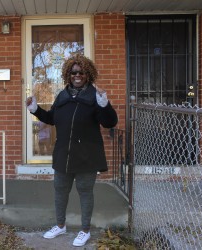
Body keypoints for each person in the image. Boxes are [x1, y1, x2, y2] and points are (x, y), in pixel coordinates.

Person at [25, 54, 118, 247]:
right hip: (63, 154)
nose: (78, 75)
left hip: (87, 155)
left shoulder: (95, 96)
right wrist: (36, 110)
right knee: (60, 191)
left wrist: (104, 104)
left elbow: (110, 122)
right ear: (68, 74)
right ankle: (60, 225)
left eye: (82, 72)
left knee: (85, 192)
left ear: (88, 74)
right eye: (74, 72)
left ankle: (85, 230)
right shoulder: (62, 95)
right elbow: (52, 119)